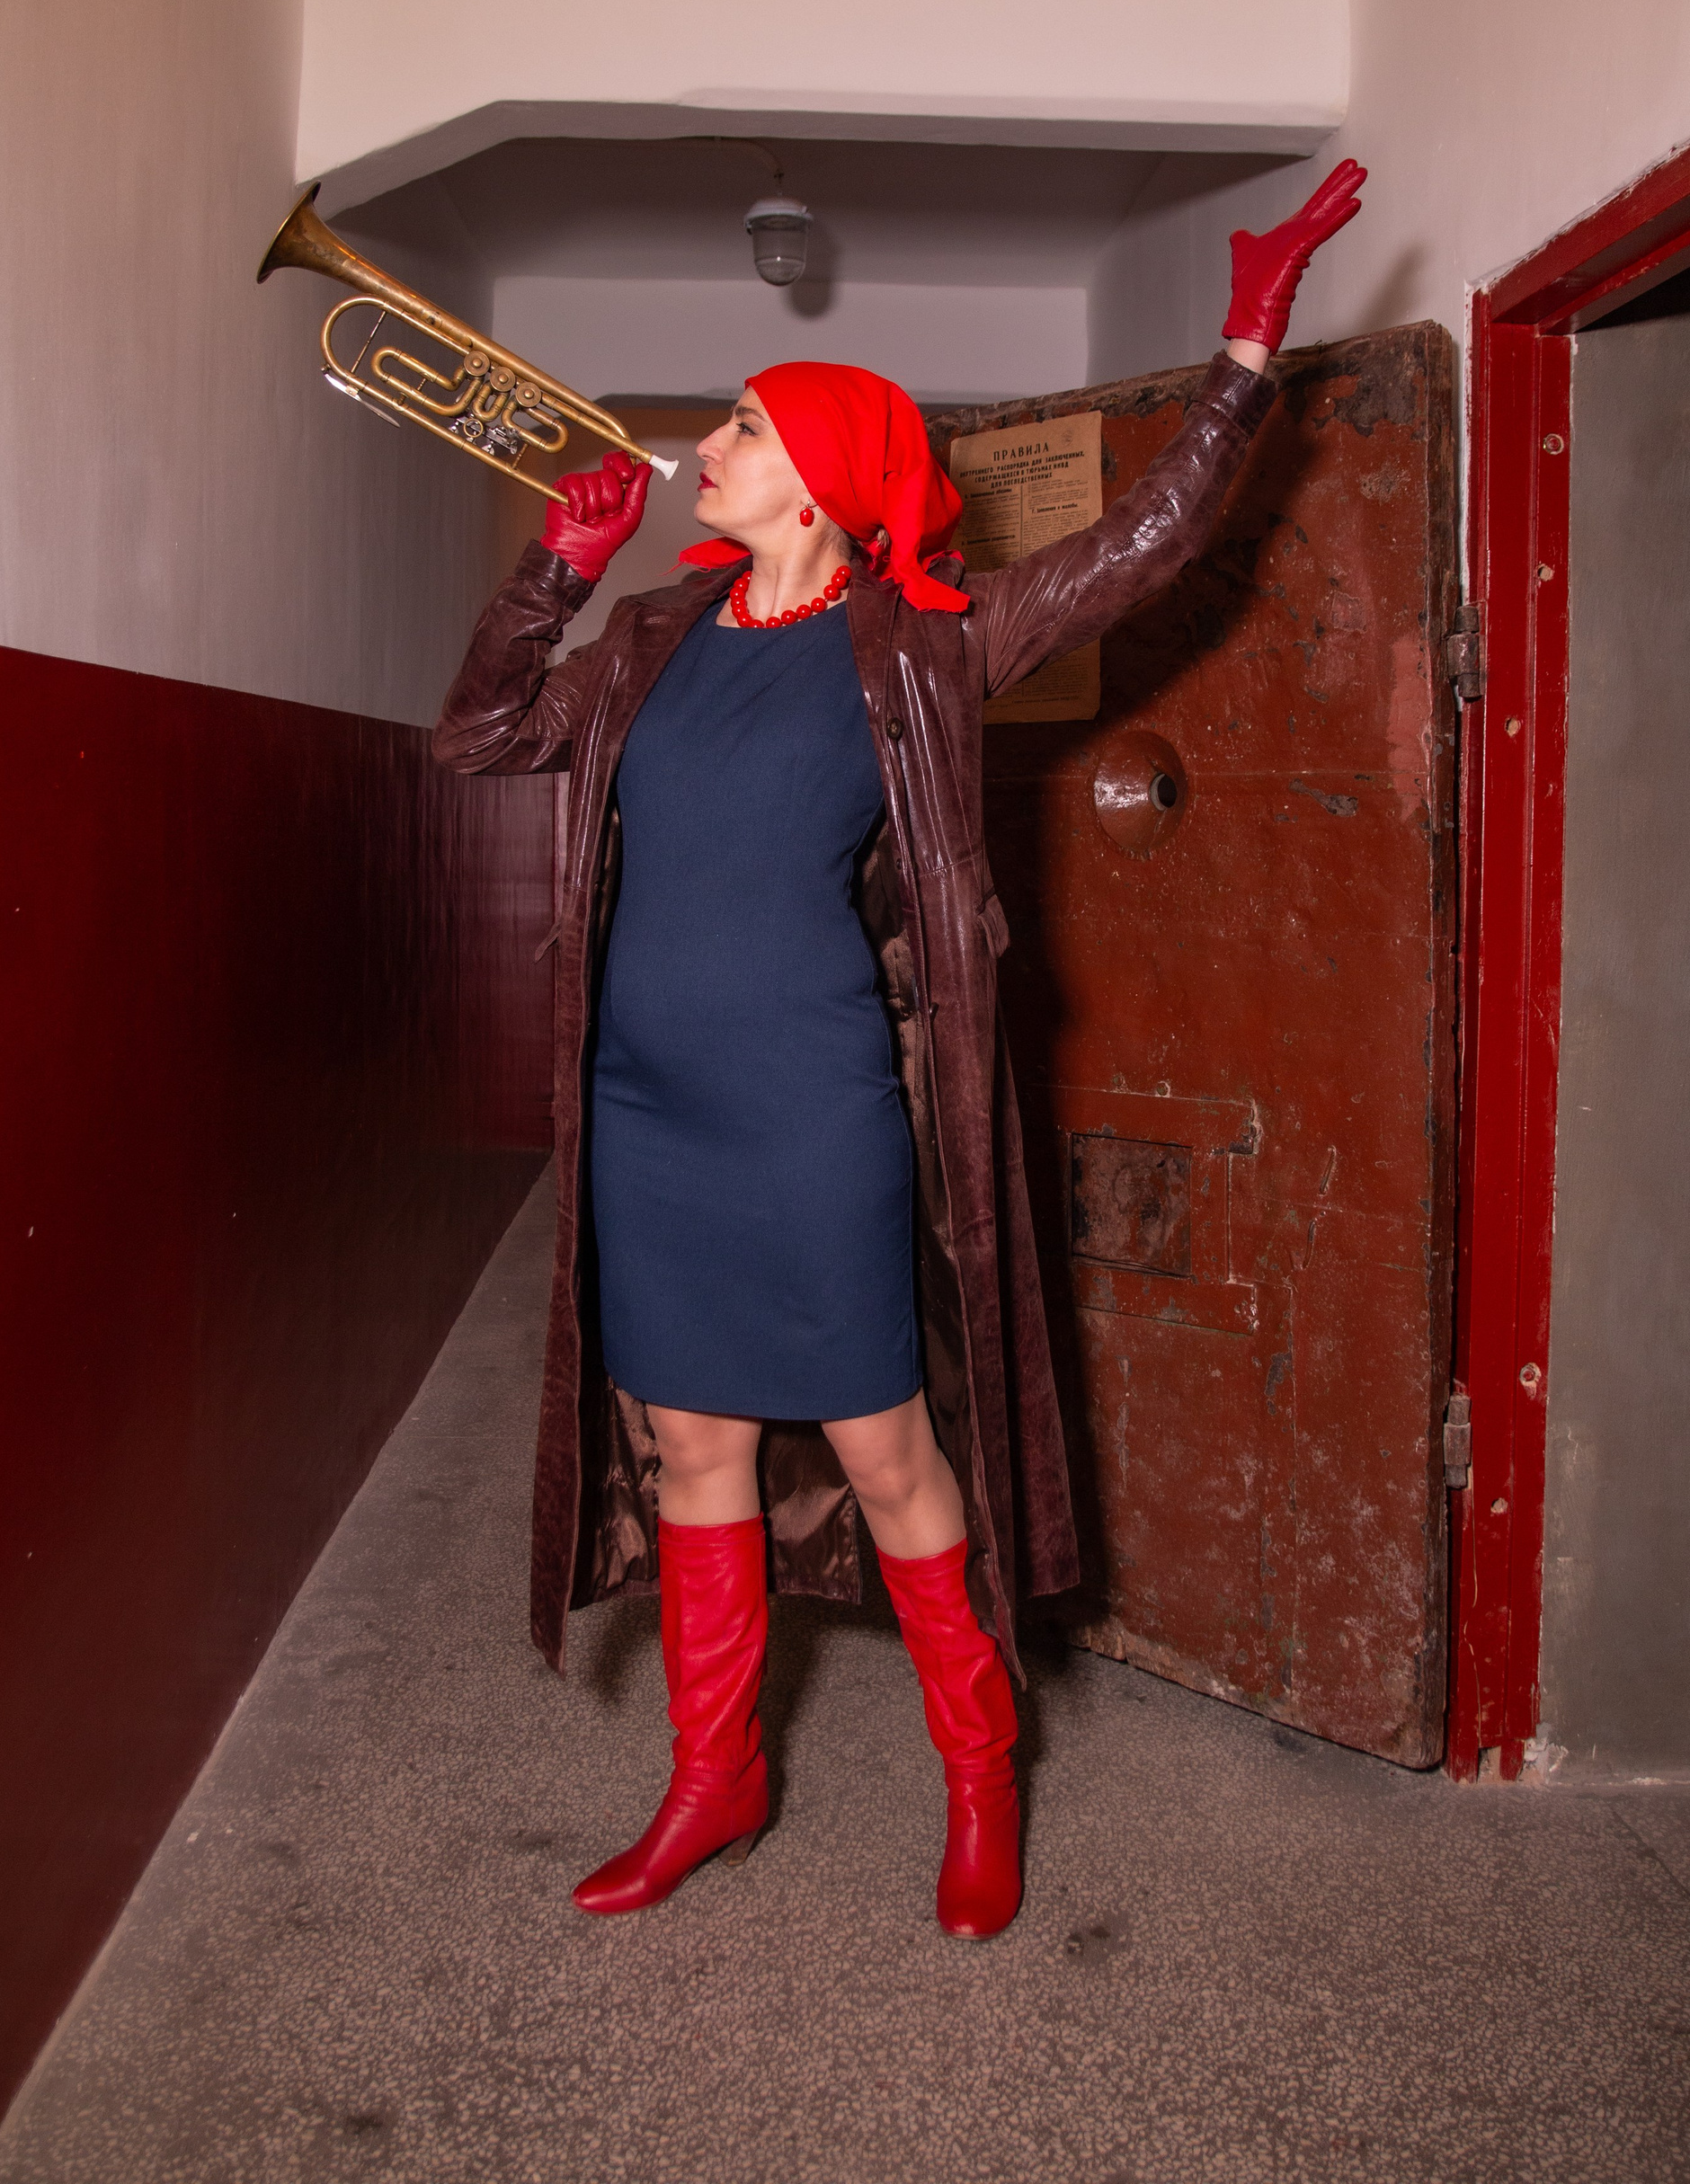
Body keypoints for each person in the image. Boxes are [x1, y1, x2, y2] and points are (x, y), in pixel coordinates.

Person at [433, 158, 1366, 1940]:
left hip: (812, 1113)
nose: (707, 446)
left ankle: (980, 1775)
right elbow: (477, 741)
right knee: (691, 1449)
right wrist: (553, 572)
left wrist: (1247, 351)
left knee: (886, 1453)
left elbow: (1141, 549)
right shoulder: (647, 639)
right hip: (644, 1113)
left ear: (824, 474)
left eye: (743, 423)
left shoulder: (925, 650)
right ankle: (715, 1779)